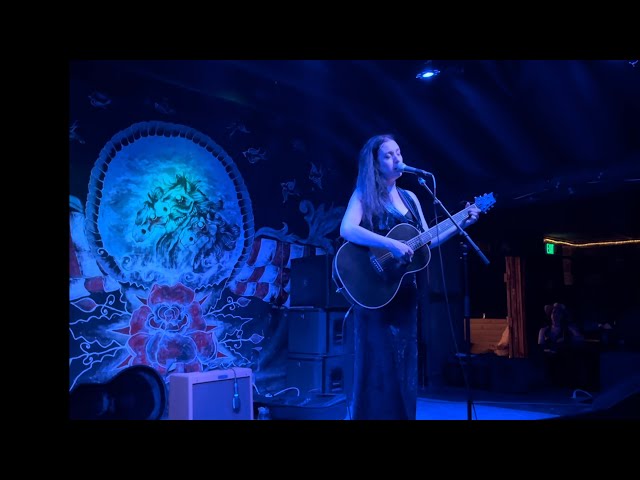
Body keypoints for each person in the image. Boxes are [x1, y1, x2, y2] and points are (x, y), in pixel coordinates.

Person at [339, 134, 481, 420]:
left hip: (405, 294)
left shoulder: (411, 197)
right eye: (389, 156)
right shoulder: (364, 195)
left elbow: (428, 241)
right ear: (376, 164)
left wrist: (460, 222)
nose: (397, 159)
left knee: (404, 367)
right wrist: (389, 243)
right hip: (377, 293)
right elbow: (347, 229)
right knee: (379, 369)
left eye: (398, 153)